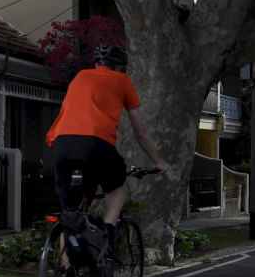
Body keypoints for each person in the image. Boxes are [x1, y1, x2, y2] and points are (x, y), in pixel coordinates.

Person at [46, 44, 168, 259]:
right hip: (96, 145)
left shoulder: (80, 76)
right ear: (120, 67)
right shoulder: (122, 81)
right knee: (117, 188)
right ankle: (108, 234)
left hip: (61, 145)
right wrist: (157, 161)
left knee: (70, 216)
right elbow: (140, 131)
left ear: (96, 63)